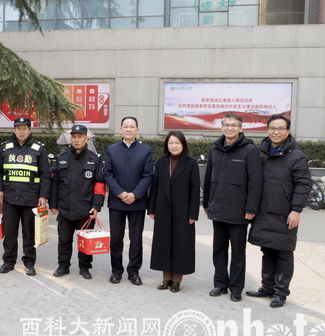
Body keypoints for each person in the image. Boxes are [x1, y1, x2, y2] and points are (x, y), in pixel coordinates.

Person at [247, 115, 312, 308]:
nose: (276, 132)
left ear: (288, 131)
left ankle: (281, 292)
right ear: (267, 130)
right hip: (264, 211)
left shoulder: (296, 156)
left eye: (281, 128)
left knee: (284, 252)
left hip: (284, 213)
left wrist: (296, 210)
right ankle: (267, 287)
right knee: (267, 249)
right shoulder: (261, 153)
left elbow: (303, 185)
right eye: (272, 128)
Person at [203, 113, 262, 302]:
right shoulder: (215, 149)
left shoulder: (250, 150)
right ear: (221, 127)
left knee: (238, 252)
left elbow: (255, 182)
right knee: (218, 250)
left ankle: (236, 288)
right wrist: (206, 202)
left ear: (240, 128)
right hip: (218, 208)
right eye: (226, 125)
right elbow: (208, 178)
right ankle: (220, 284)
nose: (230, 128)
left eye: (234, 125)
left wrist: (251, 208)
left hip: (239, 211)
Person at [0, 117, 51, 276]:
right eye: (18, 128)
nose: (21, 131)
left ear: (30, 130)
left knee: (29, 233)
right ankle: (8, 261)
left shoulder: (38, 148)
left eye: (25, 128)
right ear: (14, 130)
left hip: (30, 197)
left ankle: (29, 263)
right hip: (10, 198)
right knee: (9, 232)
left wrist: (43, 195)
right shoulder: (5, 148)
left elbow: (45, 174)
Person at [49, 124, 106, 279]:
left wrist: (96, 206)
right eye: (73, 137)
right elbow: (55, 183)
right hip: (65, 209)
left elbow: (99, 184)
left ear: (86, 138)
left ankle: (85, 267)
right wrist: (53, 205)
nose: (76, 140)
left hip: (86, 210)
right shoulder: (62, 159)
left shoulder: (94, 159)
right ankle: (63, 266)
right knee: (64, 241)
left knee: (85, 241)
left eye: (80, 137)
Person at [148, 131, 200, 292]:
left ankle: (176, 280)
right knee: (163, 244)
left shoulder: (191, 163)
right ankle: (166, 279)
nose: (174, 146)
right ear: (166, 145)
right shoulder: (162, 162)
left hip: (183, 212)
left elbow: (195, 190)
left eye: (177, 143)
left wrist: (193, 213)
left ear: (183, 144)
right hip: (163, 209)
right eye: (171, 143)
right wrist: (151, 208)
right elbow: (155, 186)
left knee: (180, 245)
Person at [103, 116, 153, 285]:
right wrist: (120, 193)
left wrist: (135, 194)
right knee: (116, 238)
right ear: (121, 129)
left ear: (137, 130)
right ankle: (116, 270)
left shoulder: (145, 150)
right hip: (117, 202)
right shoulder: (112, 150)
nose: (129, 129)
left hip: (137, 202)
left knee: (136, 238)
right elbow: (108, 173)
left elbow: (148, 175)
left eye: (132, 126)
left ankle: (134, 271)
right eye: (126, 126)